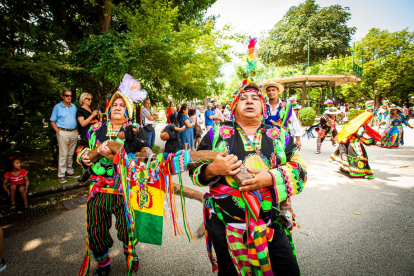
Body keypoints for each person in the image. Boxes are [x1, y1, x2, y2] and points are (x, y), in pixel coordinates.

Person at [190, 78, 306, 276]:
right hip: (225, 227)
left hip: (272, 225)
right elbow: (194, 172)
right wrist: (213, 170)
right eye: (243, 98)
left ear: (263, 107)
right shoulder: (216, 134)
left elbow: (301, 170)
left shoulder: (279, 134)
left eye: (255, 98)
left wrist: (270, 177)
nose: (250, 101)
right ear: (234, 107)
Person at [77, 74, 147, 276]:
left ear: (128, 110)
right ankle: (103, 265)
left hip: (126, 191)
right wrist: (86, 155)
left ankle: (130, 254)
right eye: (114, 104)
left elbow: (145, 156)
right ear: (109, 108)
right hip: (98, 191)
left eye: (122, 105)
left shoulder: (136, 129)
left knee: (128, 229)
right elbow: (81, 150)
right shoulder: (95, 128)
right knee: (96, 230)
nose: (118, 107)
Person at [330, 112, 381, 178]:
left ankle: (345, 168)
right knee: (358, 156)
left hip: (346, 141)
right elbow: (362, 136)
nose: (370, 121)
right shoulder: (361, 126)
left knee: (347, 155)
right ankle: (359, 172)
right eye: (369, 119)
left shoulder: (355, 123)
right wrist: (374, 142)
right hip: (353, 143)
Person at [262, 79, 302, 150]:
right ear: (266, 93)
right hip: (265, 139)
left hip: (283, 137)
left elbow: (294, 121)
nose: (271, 92)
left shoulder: (287, 105)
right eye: (269, 90)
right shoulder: (262, 105)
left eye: (273, 90)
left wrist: (298, 139)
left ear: (278, 91)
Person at [50, 89, 80, 183]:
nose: (69, 97)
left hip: (73, 132)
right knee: (63, 154)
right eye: (67, 96)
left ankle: (70, 172)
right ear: (62, 96)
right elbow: (52, 121)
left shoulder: (73, 106)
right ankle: (61, 175)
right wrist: (58, 132)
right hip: (63, 131)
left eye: (70, 96)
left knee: (71, 153)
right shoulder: (57, 107)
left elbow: (75, 119)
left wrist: (76, 131)